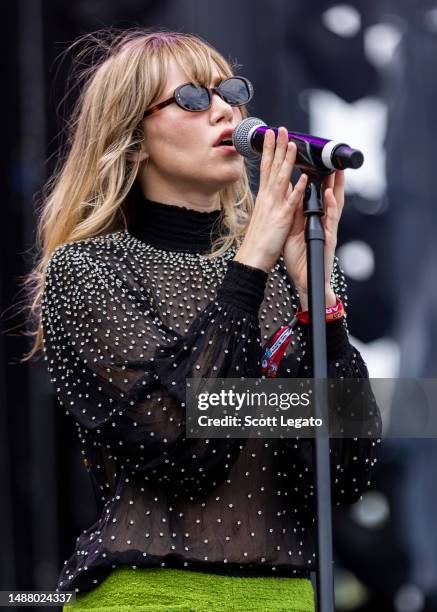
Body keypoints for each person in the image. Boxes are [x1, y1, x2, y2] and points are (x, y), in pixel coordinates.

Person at [29, 29, 381, 612]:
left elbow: (345, 472)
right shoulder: (90, 269)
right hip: (151, 593)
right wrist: (250, 268)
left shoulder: (284, 272)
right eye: (191, 98)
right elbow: (180, 447)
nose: (223, 108)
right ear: (132, 139)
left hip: (288, 596)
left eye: (230, 91)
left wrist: (318, 301)